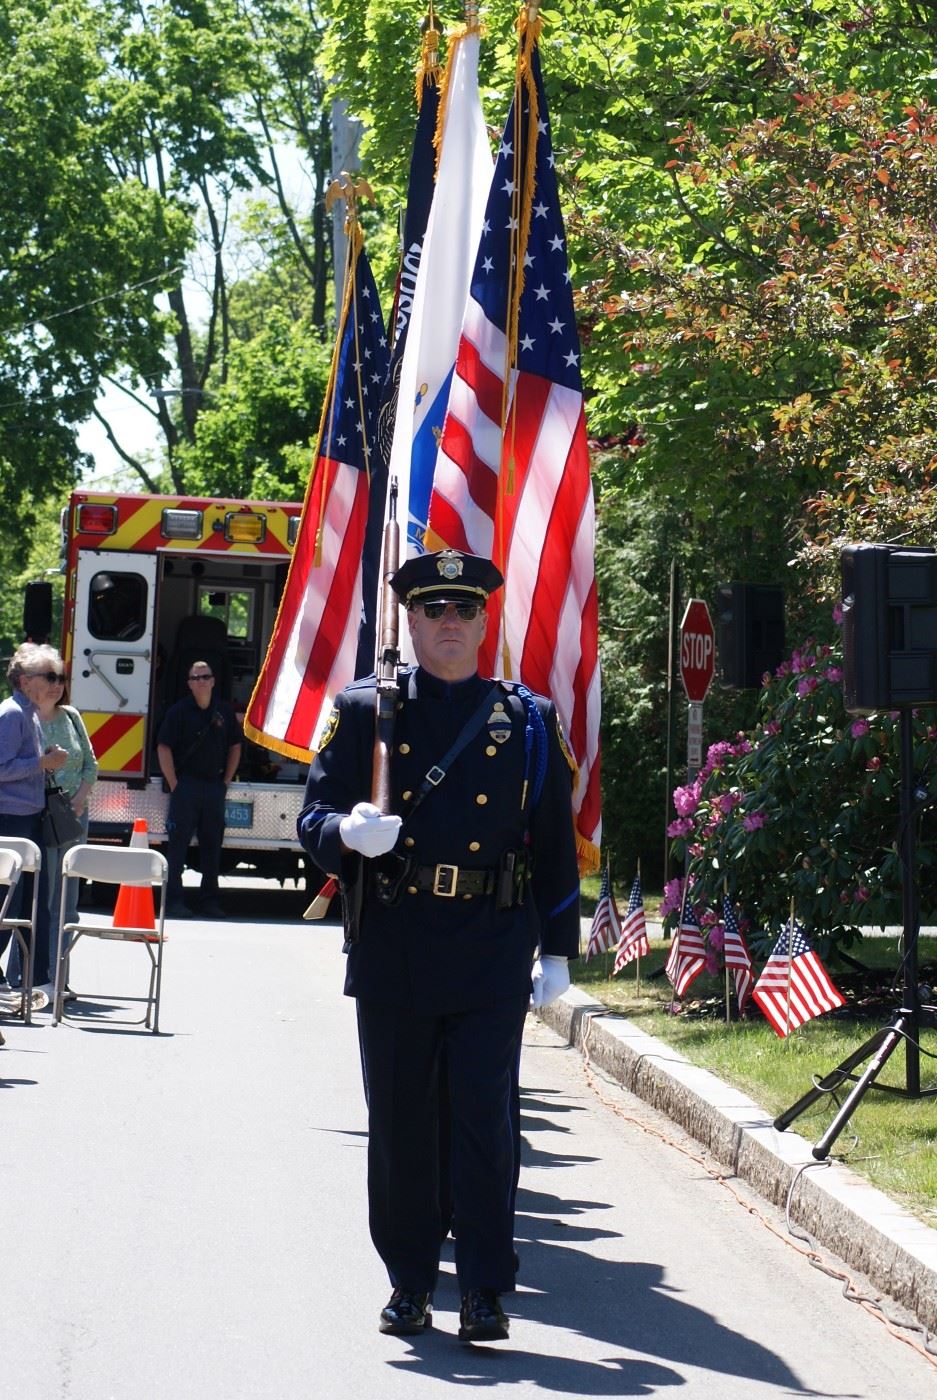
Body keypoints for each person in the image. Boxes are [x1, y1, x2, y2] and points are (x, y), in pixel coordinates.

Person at [298, 548, 580, 1344]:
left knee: (483, 1124)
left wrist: (557, 948)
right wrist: (348, 833)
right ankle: (410, 1283)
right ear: (409, 622)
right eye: (433, 611)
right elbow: (312, 820)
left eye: (463, 611)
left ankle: (487, 1285)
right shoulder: (365, 712)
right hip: (395, 943)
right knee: (400, 1126)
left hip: (491, 944)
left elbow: (553, 841)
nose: (449, 624)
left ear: (484, 622)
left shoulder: (524, 719)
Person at [0, 644, 68, 1006]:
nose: (56, 683)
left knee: (27, 903)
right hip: (11, 818)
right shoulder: (12, 715)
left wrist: (43, 761)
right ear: (27, 681)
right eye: (50, 676)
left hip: (26, 817)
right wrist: (41, 764)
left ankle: (32, 978)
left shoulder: (31, 715)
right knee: (8, 901)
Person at [156, 660, 242, 919]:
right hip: (186, 787)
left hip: (214, 787)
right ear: (189, 684)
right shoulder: (178, 712)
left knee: (212, 847)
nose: (201, 681)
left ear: (214, 681)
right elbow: (163, 747)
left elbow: (235, 746)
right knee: (177, 848)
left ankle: (209, 902)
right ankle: (173, 902)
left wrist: (225, 781)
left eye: (206, 676)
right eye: (196, 678)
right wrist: (175, 784)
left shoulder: (224, 712)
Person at [34, 657, 98, 996]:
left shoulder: (72, 716)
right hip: (40, 818)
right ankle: (28, 976)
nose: (57, 684)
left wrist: (79, 800)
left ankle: (60, 979)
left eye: (61, 678)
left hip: (74, 817)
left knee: (68, 901)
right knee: (39, 901)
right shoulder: (25, 720)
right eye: (50, 677)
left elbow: (92, 763)